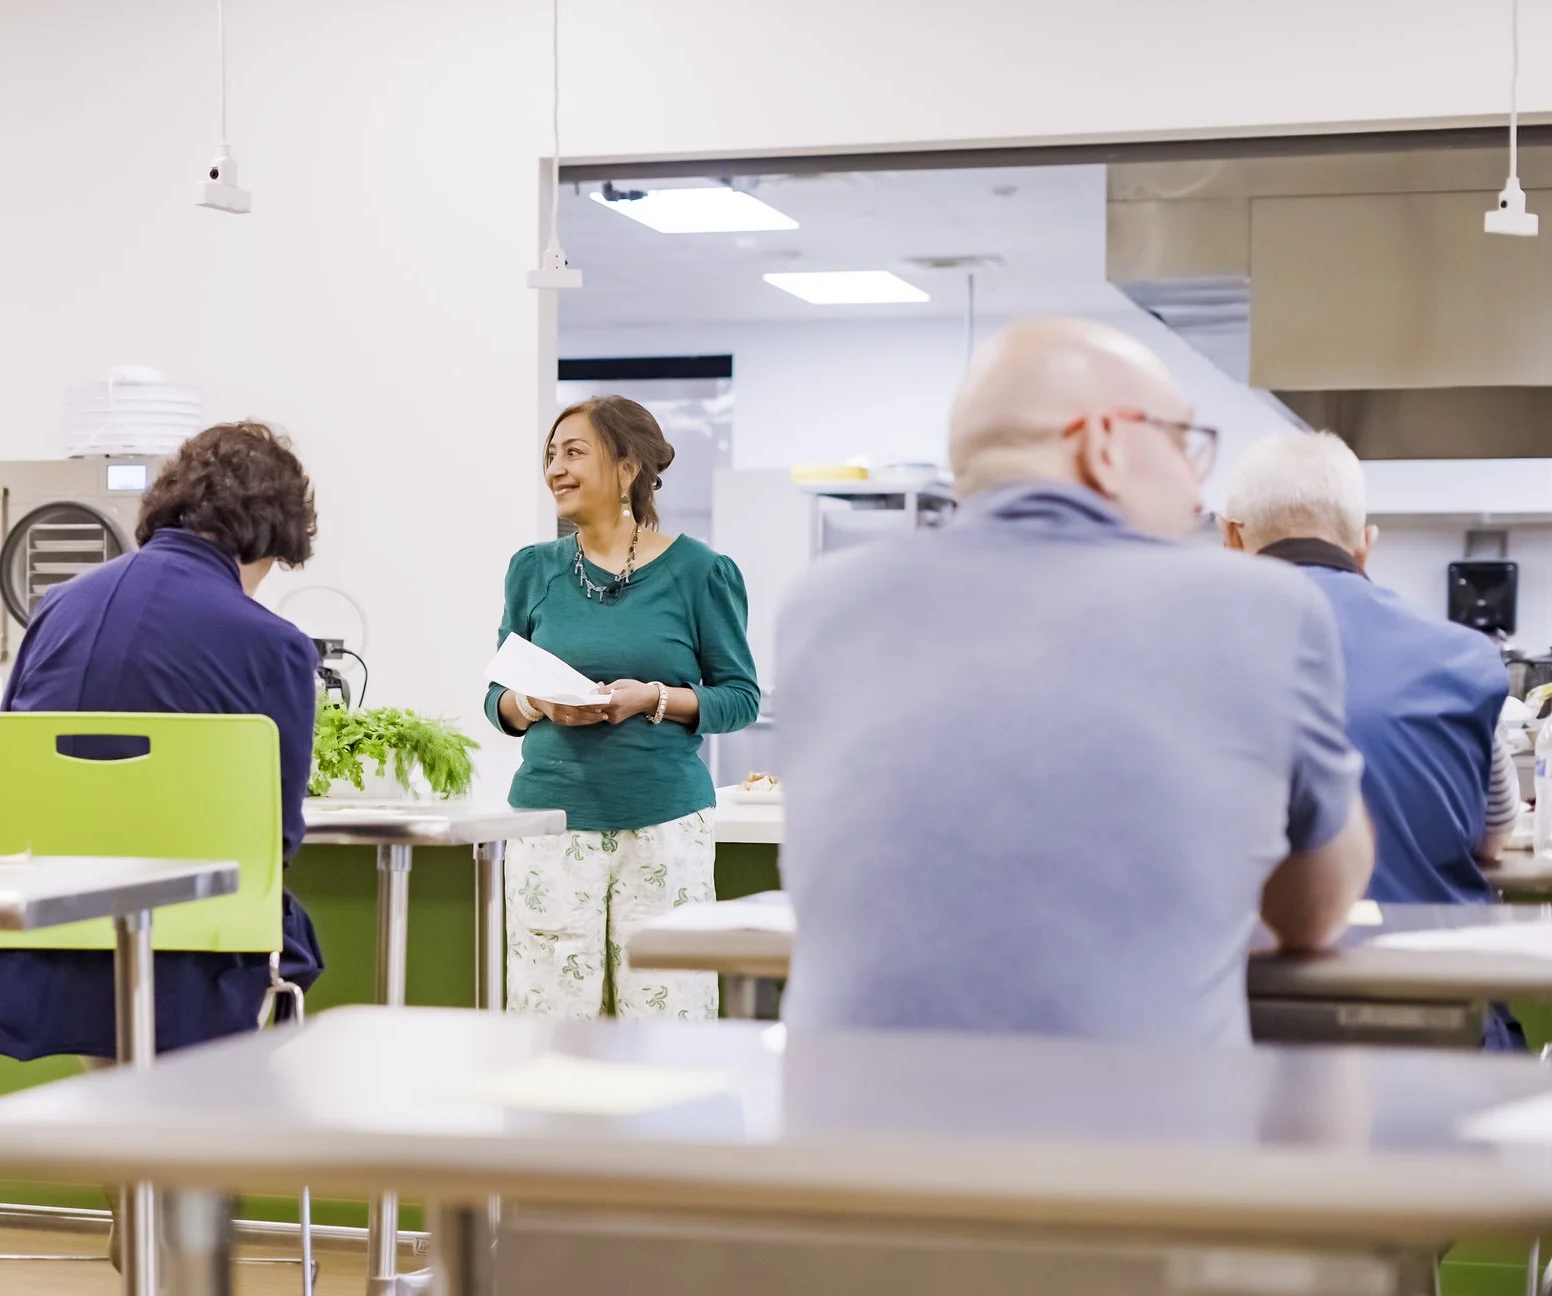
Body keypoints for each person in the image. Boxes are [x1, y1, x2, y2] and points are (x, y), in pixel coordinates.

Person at [775, 317, 1373, 1049]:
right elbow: (1312, 914)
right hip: (1140, 1148)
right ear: (1104, 444)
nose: (1197, 494)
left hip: (835, 1147)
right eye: (1186, 446)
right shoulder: (1263, 604)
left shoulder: (820, 604)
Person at [0, 420, 324, 1067]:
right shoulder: (278, 645)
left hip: (32, 952)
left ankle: (126, 1153)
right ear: (270, 540)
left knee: (120, 950)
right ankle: (191, 1161)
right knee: (272, 926)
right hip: (191, 965)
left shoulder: (57, 606)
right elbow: (273, 844)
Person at [1221, 430, 1523, 1047]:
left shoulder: (1167, 653)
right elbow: (1495, 832)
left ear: (1231, 536)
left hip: (1233, 1023)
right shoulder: (1465, 659)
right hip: (1438, 1019)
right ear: (1365, 544)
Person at [485, 396, 760, 1019]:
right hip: (550, 822)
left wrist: (654, 699)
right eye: (551, 455)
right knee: (547, 1019)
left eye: (574, 452)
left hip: (663, 824)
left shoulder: (701, 571)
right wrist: (537, 703)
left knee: (670, 1017)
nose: (556, 468)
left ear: (628, 467)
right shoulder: (533, 570)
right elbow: (497, 699)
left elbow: (740, 697)